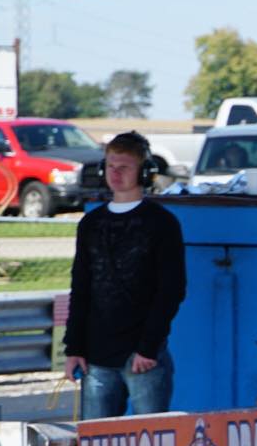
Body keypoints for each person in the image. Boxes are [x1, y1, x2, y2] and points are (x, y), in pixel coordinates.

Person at [63, 131, 186, 419]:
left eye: (124, 167)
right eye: (110, 166)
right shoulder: (91, 223)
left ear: (143, 172)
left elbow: (171, 288)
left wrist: (148, 347)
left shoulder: (161, 223)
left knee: (152, 442)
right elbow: (81, 287)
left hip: (142, 356)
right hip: (97, 355)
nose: (115, 174)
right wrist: (74, 348)